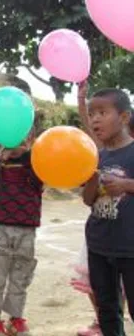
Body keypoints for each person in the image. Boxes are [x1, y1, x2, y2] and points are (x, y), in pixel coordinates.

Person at [0, 135, 43, 336]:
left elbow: (41, 180)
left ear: (30, 138)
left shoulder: (37, 161)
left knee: (21, 276)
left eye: (24, 138)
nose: (18, 143)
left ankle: (16, 318)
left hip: (27, 228)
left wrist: (29, 156)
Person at [82, 88, 134, 336]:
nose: (95, 119)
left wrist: (126, 185)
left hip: (131, 247)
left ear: (124, 118)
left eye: (102, 112)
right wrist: (92, 178)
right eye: (92, 114)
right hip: (99, 245)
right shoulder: (95, 156)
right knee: (107, 309)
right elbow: (87, 200)